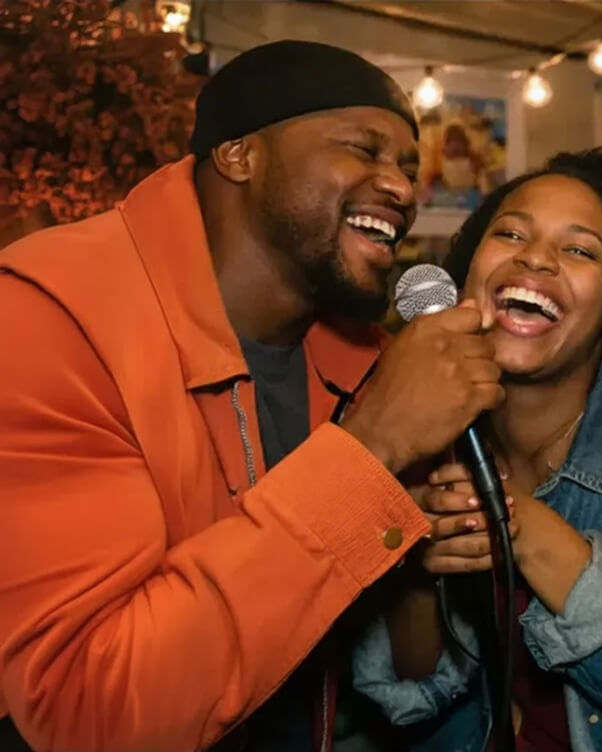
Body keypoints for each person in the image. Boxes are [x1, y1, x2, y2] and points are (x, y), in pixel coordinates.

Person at [0, 40, 507, 751]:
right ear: (239, 155)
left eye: (404, 164)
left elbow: (384, 673)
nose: (400, 188)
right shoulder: (53, 317)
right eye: (364, 148)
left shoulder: (359, 361)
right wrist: (372, 448)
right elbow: (91, 711)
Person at [351, 150, 602, 752]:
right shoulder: (427, 433)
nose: (535, 257)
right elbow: (416, 703)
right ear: (463, 284)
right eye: (512, 233)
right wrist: (414, 562)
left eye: (578, 250)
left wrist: (523, 529)